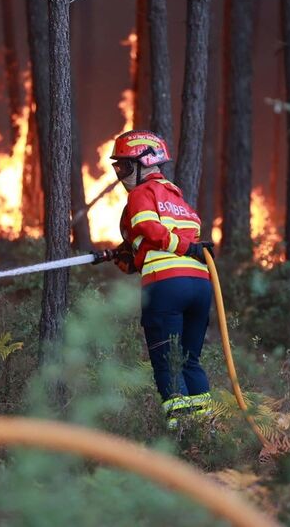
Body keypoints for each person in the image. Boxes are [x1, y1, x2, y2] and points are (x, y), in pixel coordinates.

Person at [100, 130, 216, 429]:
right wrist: (126, 255)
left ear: (145, 162)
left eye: (125, 166)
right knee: (190, 361)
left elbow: (151, 231)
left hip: (167, 288)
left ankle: (181, 434)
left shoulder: (141, 195)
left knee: (167, 362)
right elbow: (149, 247)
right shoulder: (182, 202)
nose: (121, 173)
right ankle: (207, 431)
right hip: (200, 287)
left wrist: (179, 247)